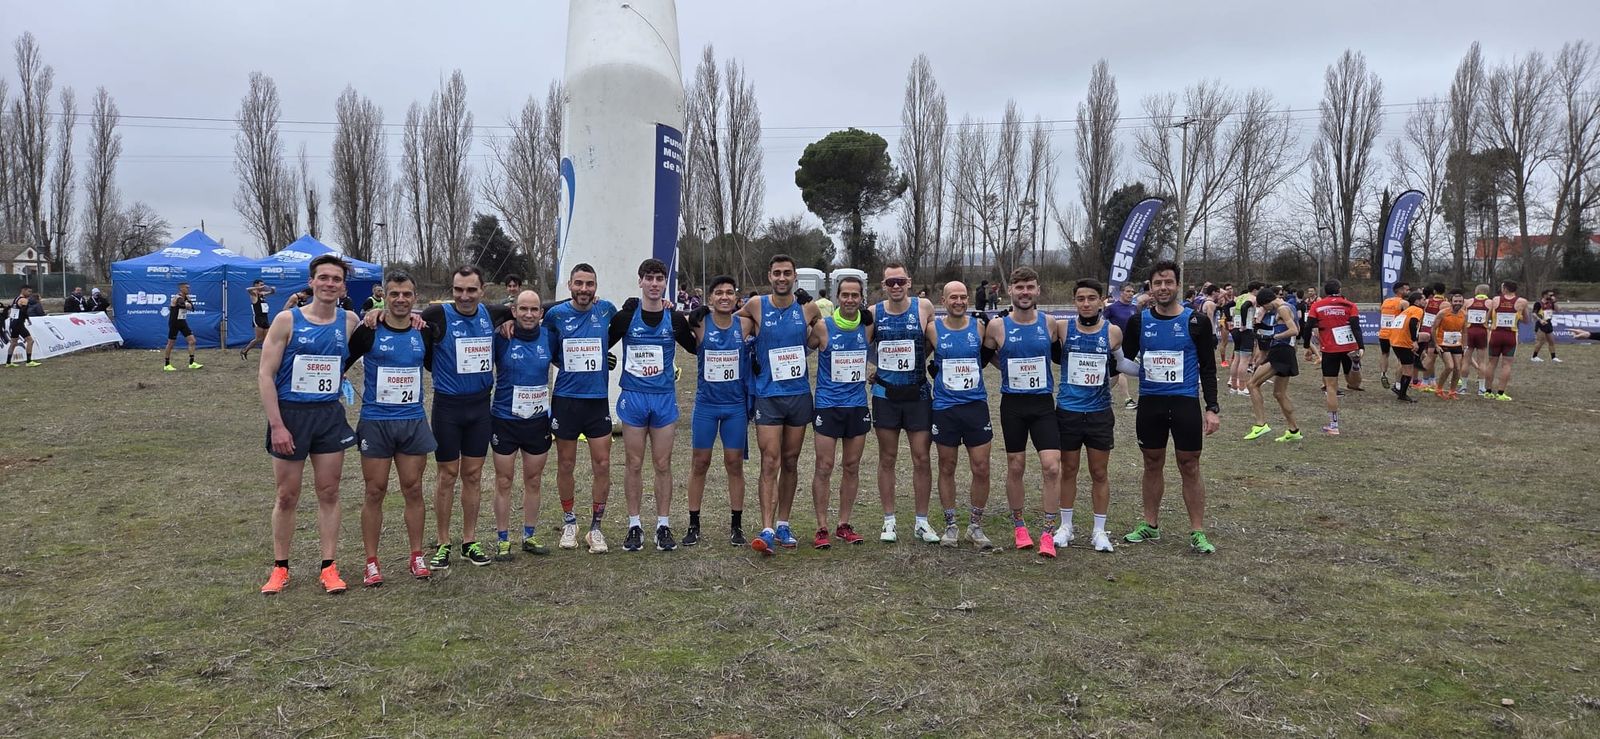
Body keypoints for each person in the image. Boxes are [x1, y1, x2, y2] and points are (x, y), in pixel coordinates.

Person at [397, 265, 512, 569]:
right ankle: (443, 542)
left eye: (471, 289)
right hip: (448, 408)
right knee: (447, 475)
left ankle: (470, 540)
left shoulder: (493, 314)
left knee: (473, 475)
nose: (464, 296)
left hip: (479, 408)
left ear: (482, 291)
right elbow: (404, 312)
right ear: (452, 290)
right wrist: (373, 314)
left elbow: (535, 308)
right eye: (458, 289)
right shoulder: (438, 315)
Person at [258, 254, 360, 595]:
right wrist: (277, 425)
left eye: (336, 279)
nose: (330, 283)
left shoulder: (349, 321)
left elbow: (365, 343)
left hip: (328, 416)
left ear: (343, 285)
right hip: (290, 416)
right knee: (287, 496)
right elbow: (265, 374)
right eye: (324, 278)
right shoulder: (287, 320)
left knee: (329, 491)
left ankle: (329, 567)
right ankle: (280, 568)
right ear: (312, 282)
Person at [1121, 260, 1222, 554]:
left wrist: (1212, 408)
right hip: (1150, 404)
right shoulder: (1139, 321)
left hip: (1185, 403)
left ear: (1177, 285)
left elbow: (1208, 367)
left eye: (1168, 282)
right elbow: (1125, 360)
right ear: (1150, 288)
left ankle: (1197, 531)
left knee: (1189, 465)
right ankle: (1150, 525)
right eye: (1157, 283)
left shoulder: (1196, 321)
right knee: (1152, 463)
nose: (1163, 288)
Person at [345, 271, 436, 586]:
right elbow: (340, 362)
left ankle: (416, 555)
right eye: (394, 294)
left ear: (415, 298)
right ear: (385, 296)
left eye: (406, 294)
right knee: (375, 491)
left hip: (412, 421)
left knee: (413, 488)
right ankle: (371, 561)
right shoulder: (368, 330)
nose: (400, 299)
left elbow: (440, 363)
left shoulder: (423, 332)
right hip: (376, 421)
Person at [735, 254, 821, 554]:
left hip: (798, 395)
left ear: (794, 277)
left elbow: (818, 339)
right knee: (769, 461)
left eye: (787, 273)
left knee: (791, 460)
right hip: (768, 395)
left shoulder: (807, 307)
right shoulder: (756, 305)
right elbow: (729, 323)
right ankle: (768, 527)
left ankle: (784, 522)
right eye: (776, 273)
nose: (782, 278)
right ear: (769, 276)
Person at [612, 259, 697, 552]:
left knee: (663, 464)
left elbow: (697, 346)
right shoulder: (625, 317)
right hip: (634, 397)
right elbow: (599, 340)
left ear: (665, 283)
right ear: (640, 282)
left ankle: (663, 524)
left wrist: (708, 316)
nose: (654, 283)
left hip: (663, 399)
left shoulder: (673, 320)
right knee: (634, 463)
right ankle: (634, 525)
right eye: (648, 278)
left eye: (659, 278)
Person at [985, 267, 1063, 555]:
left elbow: (1063, 354)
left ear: (1038, 290)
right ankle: (1019, 526)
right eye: (1020, 287)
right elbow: (985, 356)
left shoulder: (1051, 323)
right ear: (1011, 291)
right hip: (1013, 405)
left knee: (1052, 467)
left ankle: (1047, 531)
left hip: (1043, 404)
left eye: (1030, 286)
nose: (1025, 292)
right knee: (1016, 466)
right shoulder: (997, 326)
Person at [544, 263, 619, 553]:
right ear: (570, 286)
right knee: (566, 464)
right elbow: (551, 351)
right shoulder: (556, 314)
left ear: (596, 287)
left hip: (597, 399)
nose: (584, 289)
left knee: (602, 464)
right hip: (566, 399)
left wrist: (604, 357)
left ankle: (596, 528)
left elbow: (616, 330)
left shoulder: (606, 309)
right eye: (579, 283)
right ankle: (569, 521)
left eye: (589, 284)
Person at [1055, 278, 1129, 554]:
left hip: (1099, 413)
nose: (1086, 303)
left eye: (1091, 298)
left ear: (1101, 301)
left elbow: (1121, 366)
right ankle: (1066, 526)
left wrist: (1151, 373)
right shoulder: (1062, 328)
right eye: (1080, 299)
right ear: (1074, 301)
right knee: (1069, 470)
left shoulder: (1113, 332)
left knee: (1099, 472)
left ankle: (1099, 531)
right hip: (1068, 411)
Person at [869, 262, 938, 544]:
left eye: (900, 281)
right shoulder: (874, 312)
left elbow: (932, 341)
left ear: (909, 282)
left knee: (921, 458)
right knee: (887, 458)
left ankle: (921, 521)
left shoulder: (924, 308)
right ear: (883, 285)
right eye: (890, 282)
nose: (895, 286)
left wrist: (920, 360)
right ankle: (889, 521)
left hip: (918, 394)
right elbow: (861, 345)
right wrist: (875, 368)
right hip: (885, 396)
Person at [925, 280, 995, 550]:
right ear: (944, 301)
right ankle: (951, 525)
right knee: (946, 466)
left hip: (975, 405)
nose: (959, 301)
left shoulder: (979, 327)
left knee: (981, 466)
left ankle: (975, 526)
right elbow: (919, 357)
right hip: (945, 407)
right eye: (953, 297)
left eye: (963, 297)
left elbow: (993, 355)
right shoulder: (933, 329)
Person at [685, 275, 753, 547]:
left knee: (734, 464)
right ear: (710, 298)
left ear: (736, 297)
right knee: (699, 463)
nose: (724, 297)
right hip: (706, 406)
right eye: (718, 293)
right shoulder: (701, 324)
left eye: (729, 292)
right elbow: (676, 323)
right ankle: (694, 524)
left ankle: (736, 525)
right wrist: (691, 313)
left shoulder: (745, 323)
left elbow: (764, 306)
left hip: (734, 407)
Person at [489, 289, 555, 559]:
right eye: (523, 309)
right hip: (505, 419)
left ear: (541, 313)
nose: (529, 314)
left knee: (534, 480)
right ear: (513, 311)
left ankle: (529, 535)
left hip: (537, 421)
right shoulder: (501, 337)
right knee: (504, 481)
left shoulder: (550, 336)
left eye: (534, 310)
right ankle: (503, 539)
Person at [808, 275, 873, 549]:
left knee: (851, 466)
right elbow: (801, 348)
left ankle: (843, 524)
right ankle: (821, 526)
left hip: (857, 405)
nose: (849, 300)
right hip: (828, 404)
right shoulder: (824, 326)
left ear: (861, 298)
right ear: (837, 297)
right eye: (844, 295)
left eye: (854, 295)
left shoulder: (868, 327)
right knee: (824, 467)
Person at [1302, 280, 1364, 434]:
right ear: (1340, 290)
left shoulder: (1317, 305)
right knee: (1353, 383)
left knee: (1331, 386)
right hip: (1349, 347)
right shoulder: (1350, 305)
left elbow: (1308, 326)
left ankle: (1334, 425)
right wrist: (1361, 346)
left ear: (1324, 291)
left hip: (1329, 348)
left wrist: (1306, 346)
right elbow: (1356, 327)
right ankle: (1355, 365)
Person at [1243, 287, 1302, 441]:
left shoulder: (1282, 309)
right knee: (1279, 394)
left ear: (1267, 302)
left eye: (1264, 307)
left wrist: (1275, 336)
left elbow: (1294, 330)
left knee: (1252, 384)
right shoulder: (1291, 307)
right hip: (1286, 351)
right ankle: (1294, 430)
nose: (1265, 310)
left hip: (1282, 351)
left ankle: (1261, 425)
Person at [1484, 280, 1529, 401]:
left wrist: (1488, 324)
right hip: (1510, 335)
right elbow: (1526, 320)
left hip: (1495, 335)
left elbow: (1487, 317)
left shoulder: (1495, 300)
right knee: (1507, 364)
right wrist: (1518, 315)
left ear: (1505, 289)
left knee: (1491, 363)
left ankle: (1487, 391)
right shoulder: (1522, 302)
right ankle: (1500, 393)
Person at [1105, 282, 1140, 409]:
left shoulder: (1135, 308)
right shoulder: (1112, 308)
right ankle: (1127, 399)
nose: (1131, 293)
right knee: (1120, 370)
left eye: (1132, 291)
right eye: (1128, 291)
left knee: (1116, 372)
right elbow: (1102, 322)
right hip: (1116, 346)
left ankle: (1103, 394)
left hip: (1130, 345)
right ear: (1121, 293)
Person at [1388, 290, 1425, 403]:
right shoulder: (1417, 310)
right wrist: (1414, 341)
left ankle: (1417, 357)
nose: (1425, 301)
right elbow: (1413, 323)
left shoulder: (1407, 310)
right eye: (1423, 299)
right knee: (1408, 370)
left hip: (1395, 341)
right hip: (1403, 342)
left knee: (1426, 336)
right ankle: (1402, 395)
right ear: (1417, 301)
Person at [1431, 289, 1468, 401]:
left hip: (1456, 343)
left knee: (1457, 368)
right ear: (1451, 301)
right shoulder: (1443, 313)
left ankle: (1452, 391)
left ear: (1463, 302)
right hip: (1443, 343)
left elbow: (1465, 331)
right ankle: (1439, 389)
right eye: (1455, 301)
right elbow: (1433, 329)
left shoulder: (1464, 314)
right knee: (1450, 366)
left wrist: (1464, 346)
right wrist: (1436, 345)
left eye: (1460, 301)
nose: (1458, 303)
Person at [1228, 281, 1263, 396]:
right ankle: (1242, 388)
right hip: (1245, 329)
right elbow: (1244, 307)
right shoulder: (1252, 298)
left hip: (1236, 329)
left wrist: (1230, 320)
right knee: (1244, 360)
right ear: (1255, 290)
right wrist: (1244, 323)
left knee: (1237, 358)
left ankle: (1233, 386)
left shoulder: (1240, 296)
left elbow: (1227, 306)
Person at [1376, 282, 1410, 388]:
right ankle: (1398, 382)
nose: (1408, 292)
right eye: (1406, 290)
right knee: (1401, 358)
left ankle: (1383, 374)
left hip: (1383, 332)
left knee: (1384, 354)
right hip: (1396, 333)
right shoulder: (1404, 303)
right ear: (1400, 290)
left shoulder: (1386, 301)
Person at [163, 282, 202, 371]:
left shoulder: (186, 297)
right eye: (186, 288)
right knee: (171, 344)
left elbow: (192, 308)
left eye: (189, 287)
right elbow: (182, 305)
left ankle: (192, 363)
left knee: (192, 341)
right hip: (174, 323)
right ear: (181, 288)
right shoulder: (177, 298)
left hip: (182, 322)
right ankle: (167, 364)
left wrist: (189, 302)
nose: (188, 289)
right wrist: (187, 304)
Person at [1462, 284, 1493, 395]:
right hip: (1482, 332)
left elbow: (1463, 314)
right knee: (1482, 361)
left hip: (1469, 331)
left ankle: (1463, 387)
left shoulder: (1468, 301)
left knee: (1466, 360)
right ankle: (1481, 388)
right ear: (1487, 292)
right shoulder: (1490, 303)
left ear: (1476, 291)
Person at [1415, 283, 1446, 391]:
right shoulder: (1444, 304)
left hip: (1425, 329)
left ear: (1434, 291)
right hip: (1434, 332)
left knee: (1430, 357)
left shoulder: (1427, 301)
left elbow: (1422, 314)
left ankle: (1432, 380)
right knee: (1431, 358)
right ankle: (1424, 381)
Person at [241, 280, 277, 360]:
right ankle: (245, 351)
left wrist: (272, 289)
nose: (263, 286)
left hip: (265, 318)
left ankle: (267, 355)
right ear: (256, 285)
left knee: (267, 338)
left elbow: (272, 292)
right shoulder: (254, 295)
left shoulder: (262, 294)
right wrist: (259, 288)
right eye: (261, 285)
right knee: (259, 338)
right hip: (258, 318)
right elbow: (247, 289)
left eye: (263, 284)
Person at [4, 286, 39, 367]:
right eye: (29, 291)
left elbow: (15, 310)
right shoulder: (24, 300)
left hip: (13, 322)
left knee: (13, 342)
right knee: (30, 341)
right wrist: (27, 318)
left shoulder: (16, 298)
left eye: (31, 292)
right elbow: (24, 312)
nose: (30, 294)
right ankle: (29, 361)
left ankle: (8, 363)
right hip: (18, 323)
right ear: (23, 290)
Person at [1530, 290, 1560, 362]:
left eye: (1552, 295)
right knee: (1540, 341)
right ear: (1544, 295)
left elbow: (1557, 310)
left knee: (1551, 341)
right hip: (1541, 324)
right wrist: (1540, 320)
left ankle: (1553, 357)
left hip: (1548, 323)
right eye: (1550, 295)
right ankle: (1534, 356)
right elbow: (1534, 314)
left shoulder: (1551, 303)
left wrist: (1554, 302)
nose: (1551, 296)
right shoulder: (1538, 303)